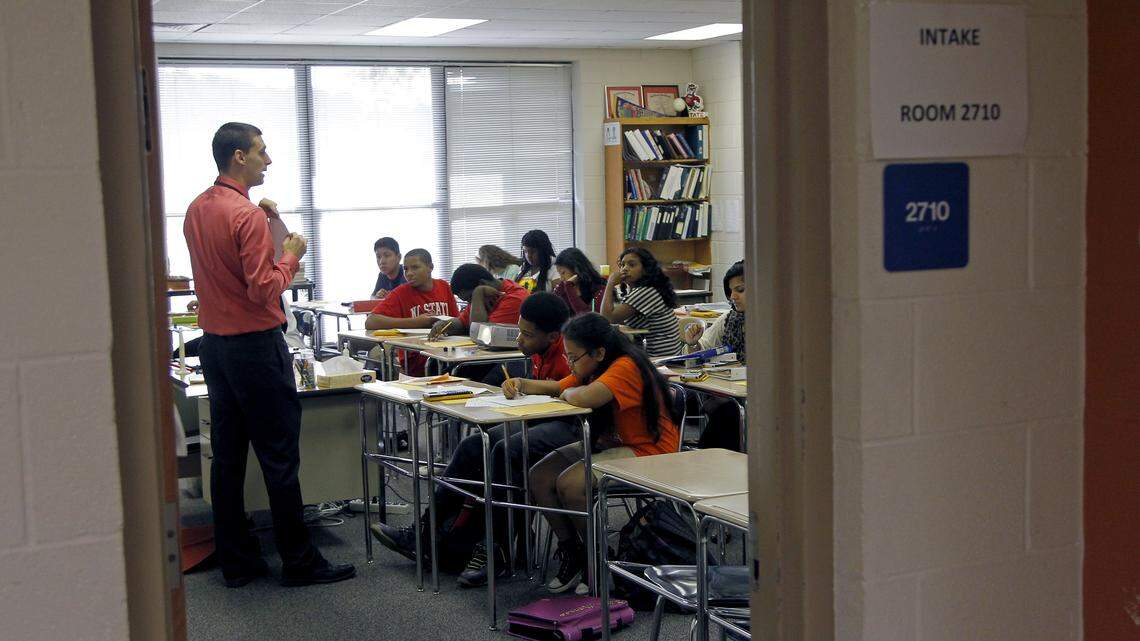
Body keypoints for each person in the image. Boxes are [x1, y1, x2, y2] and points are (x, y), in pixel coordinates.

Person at [183, 122, 354, 588]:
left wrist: (267, 223)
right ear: (240, 156)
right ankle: (299, 562)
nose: (269, 159)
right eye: (262, 151)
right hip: (256, 349)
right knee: (279, 459)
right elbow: (264, 290)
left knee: (229, 457)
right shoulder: (246, 217)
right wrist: (292, 255)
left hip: (216, 349)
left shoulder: (199, 208)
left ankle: (238, 560)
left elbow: (226, 270)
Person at [370, 293, 575, 587]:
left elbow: (571, 393)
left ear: (554, 335)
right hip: (541, 416)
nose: (519, 340)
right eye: (519, 330)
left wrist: (534, 391)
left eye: (527, 335)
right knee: (473, 446)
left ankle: (497, 549)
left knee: (506, 450)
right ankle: (425, 534)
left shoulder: (570, 350)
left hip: (572, 425)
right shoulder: (539, 349)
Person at [527, 313, 680, 594]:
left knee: (571, 484)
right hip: (614, 445)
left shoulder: (626, 366)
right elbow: (561, 386)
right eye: (567, 357)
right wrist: (522, 384)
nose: (570, 364)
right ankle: (572, 551)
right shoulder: (594, 366)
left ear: (599, 352)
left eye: (573, 357)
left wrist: (571, 392)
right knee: (539, 475)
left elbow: (584, 397)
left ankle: (597, 559)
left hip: (651, 452)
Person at [682, 260, 746, 450]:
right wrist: (693, 343)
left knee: (727, 413)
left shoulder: (776, 319)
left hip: (759, 399)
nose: (733, 296)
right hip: (732, 393)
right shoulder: (728, 319)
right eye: (731, 291)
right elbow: (702, 352)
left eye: (740, 290)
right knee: (725, 412)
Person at [365, 248, 459, 376]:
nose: (409, 273)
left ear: (430, 267)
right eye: (406, 269)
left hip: (447, 351)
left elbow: (456, 319)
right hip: (416, 357)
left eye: (415, 268)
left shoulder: (444, 287)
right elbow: (371, 321)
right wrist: (415, 322)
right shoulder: (401, 293)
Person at [600, 247, 683, 358]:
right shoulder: (644, 289)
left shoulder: (646, 291)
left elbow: (607, 318)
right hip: (660, 355)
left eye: (631, 265)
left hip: (660, 359)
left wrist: (610, 283)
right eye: (622, 265)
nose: (625, 269)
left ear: (645, 269)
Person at [429, 263, 529, 339]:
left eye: (469, 299)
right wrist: (444, 324)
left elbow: (480, 335)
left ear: (482, 283)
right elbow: (462, 322)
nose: (470, 303)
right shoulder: (479, 297)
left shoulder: (515, 299)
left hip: (506, 362)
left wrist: (478, 294)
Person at [551, 247, 606, 314]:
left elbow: (589, 317)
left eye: (563, 273)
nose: (562, 279)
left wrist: (569, 287)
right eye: (559, 274)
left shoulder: (599, 288)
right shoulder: (562, 287)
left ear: (576, 269)